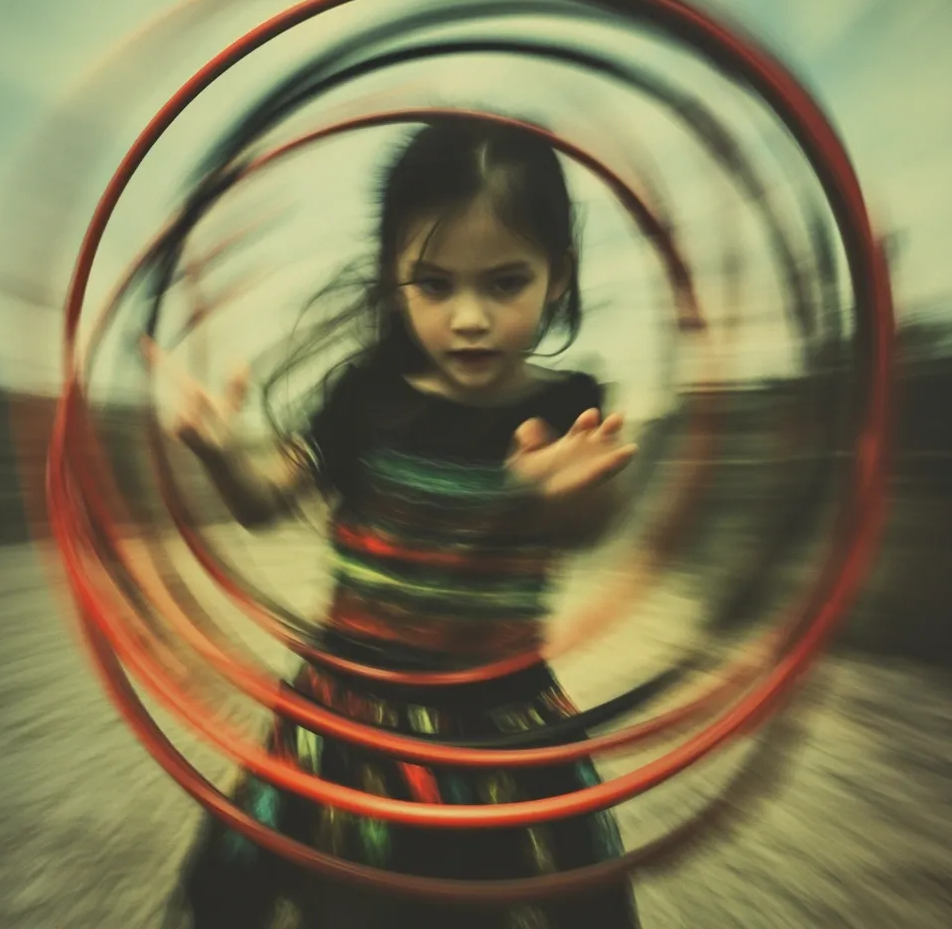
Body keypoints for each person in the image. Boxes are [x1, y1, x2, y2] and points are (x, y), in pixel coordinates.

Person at [164, 118, 642, 928]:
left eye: (505, 283)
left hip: (499, 717)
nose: (469, 318)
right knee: (284, 891)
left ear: (557, 276)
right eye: (436, 284)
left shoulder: (570, 407)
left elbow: (587, 525)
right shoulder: (365, 401)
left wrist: (563, 497)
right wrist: (219, 453)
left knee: (537, 901)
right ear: (395, 277)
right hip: (350, 711)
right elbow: (261, 503)